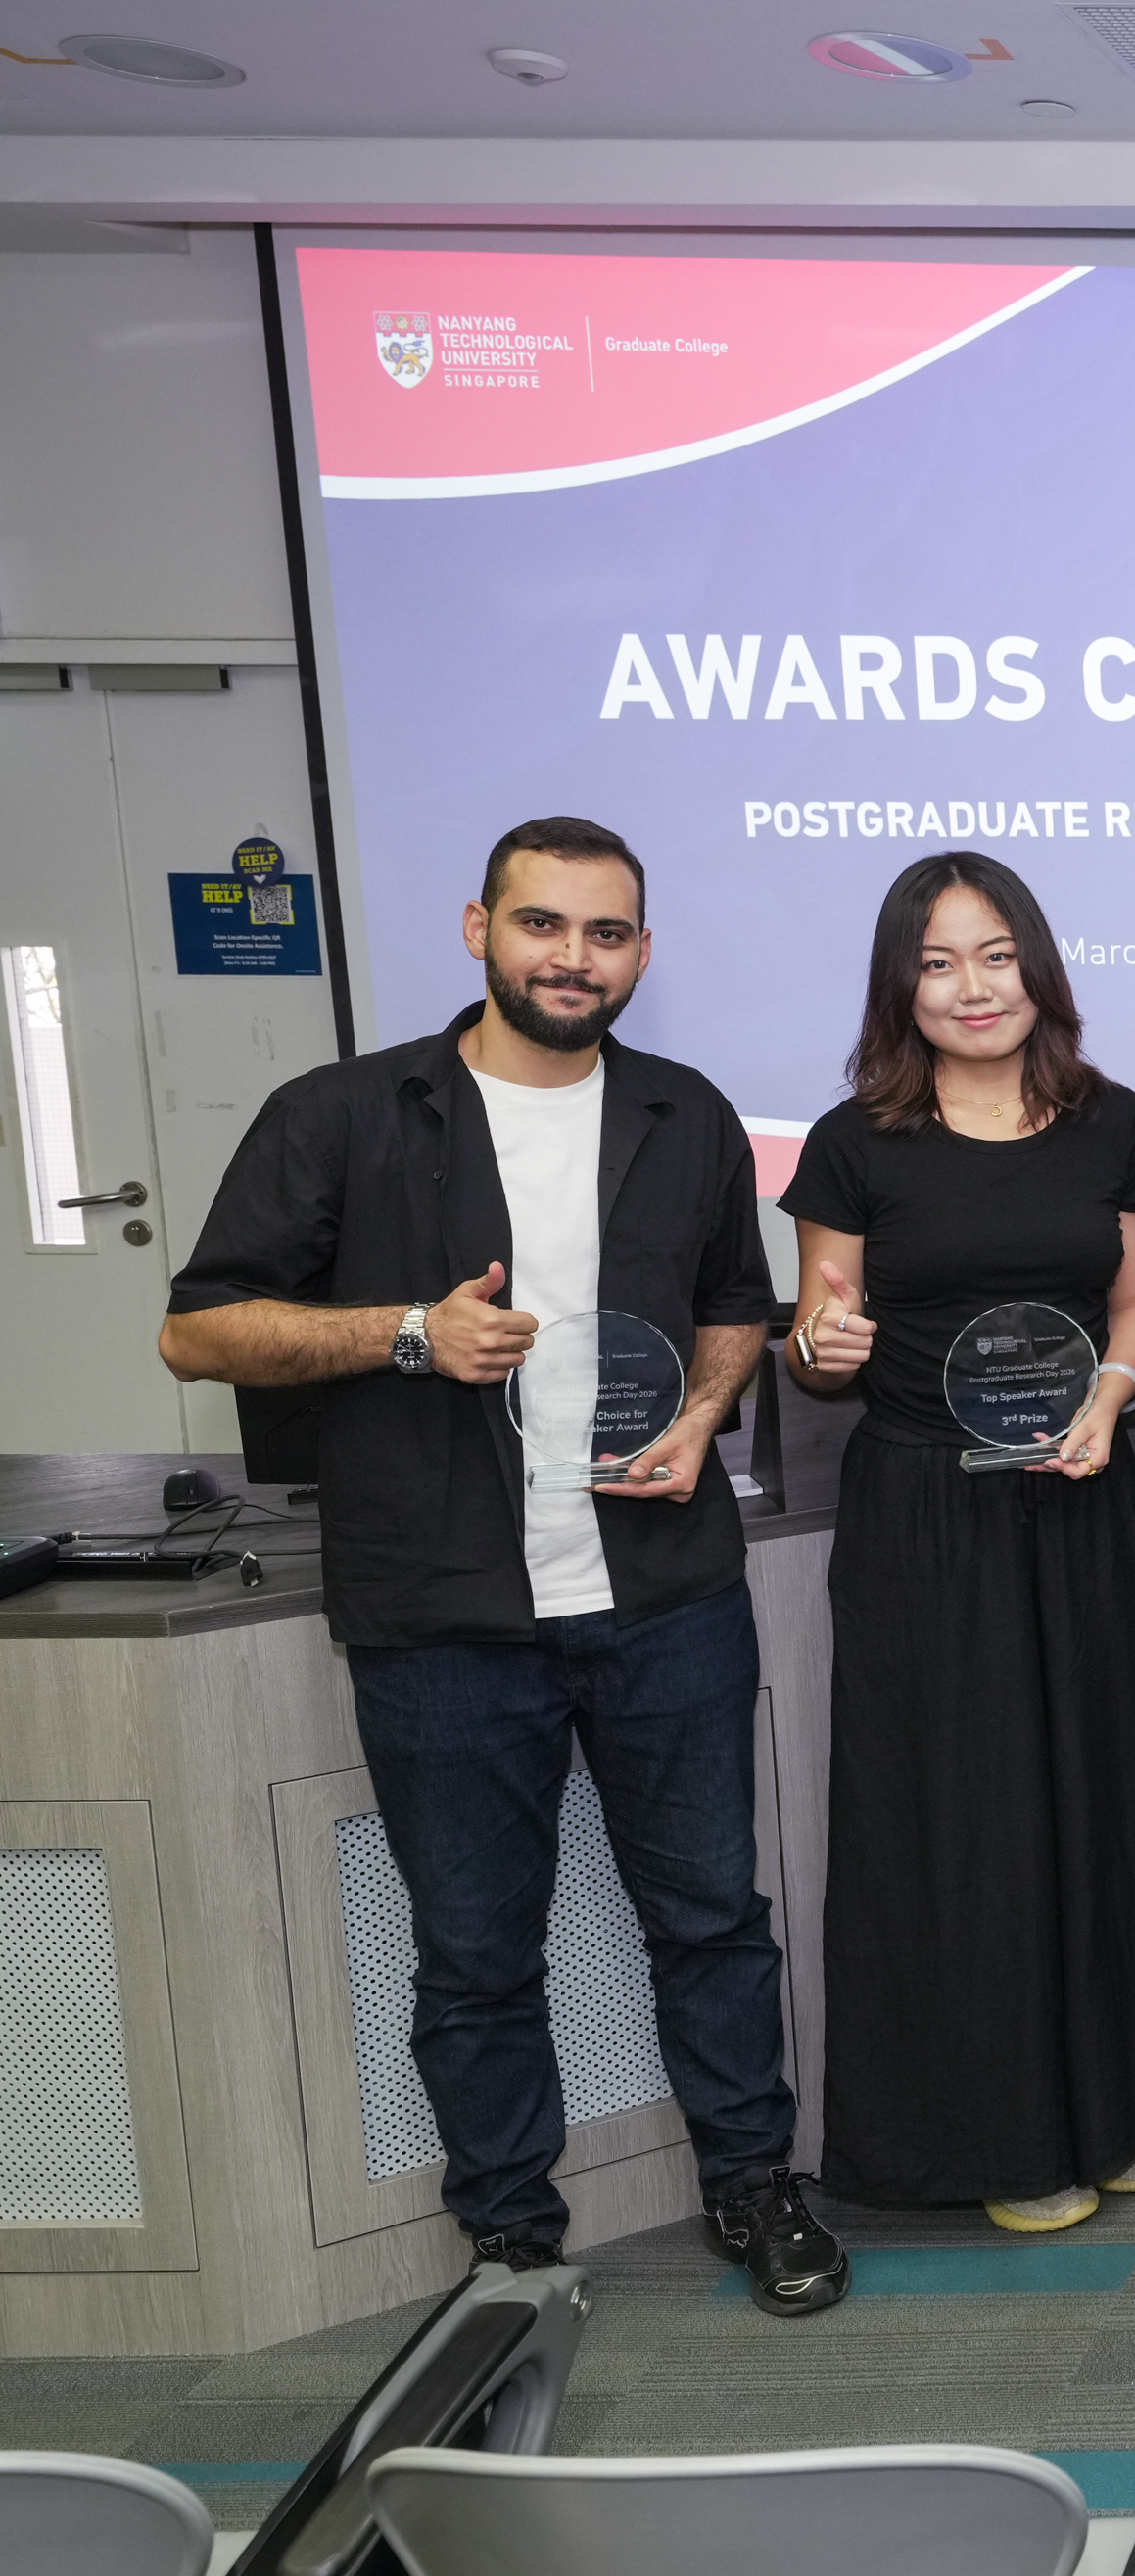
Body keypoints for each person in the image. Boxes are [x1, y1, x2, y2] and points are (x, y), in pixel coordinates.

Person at [156, 816, 844, 2313]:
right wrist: (406, 1331)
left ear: (642, 955)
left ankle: (751, 2181)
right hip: (441, 1612)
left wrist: (713, 1409)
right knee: (474, 1950)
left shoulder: (686, 1110)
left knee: (716, 1919)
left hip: (663, 1591)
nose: (572, 959)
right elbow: (198, 1327)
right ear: (478, 927)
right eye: (544, 926)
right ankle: (513, 2236)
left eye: (606, 935)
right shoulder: (342, 1112)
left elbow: (735, 1298)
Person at [778, 853, 1135, 2234]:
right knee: (966, 1824)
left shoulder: (1117, 1122)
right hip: (928, 1516)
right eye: (942, 959)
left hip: (1077, 1494)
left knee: (1100, 1794)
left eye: (998, 953)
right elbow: (820, 1341)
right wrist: (819, 1343)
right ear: (905, 982)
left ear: (1040, 968)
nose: (974, 985)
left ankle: (1117, 2105)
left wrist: (1115, 1391)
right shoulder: (853, 1140)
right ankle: (1005, 2133)